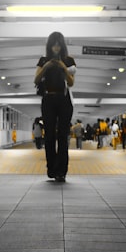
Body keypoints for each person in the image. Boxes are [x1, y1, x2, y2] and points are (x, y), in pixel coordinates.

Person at [35, 31, 76, 182]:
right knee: (50, 135)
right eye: (54, 44)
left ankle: (61, 171)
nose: (56, 47)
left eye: (59, 44)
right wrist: (46, 66)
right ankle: (51, 169)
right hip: (48, 99)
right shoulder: (43, 60)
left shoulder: (69, 60)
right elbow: (36, 79)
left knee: (63, 136)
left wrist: (62, 67)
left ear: (62, 45)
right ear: (50, 45)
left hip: (64, 99)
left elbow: (71, 82)